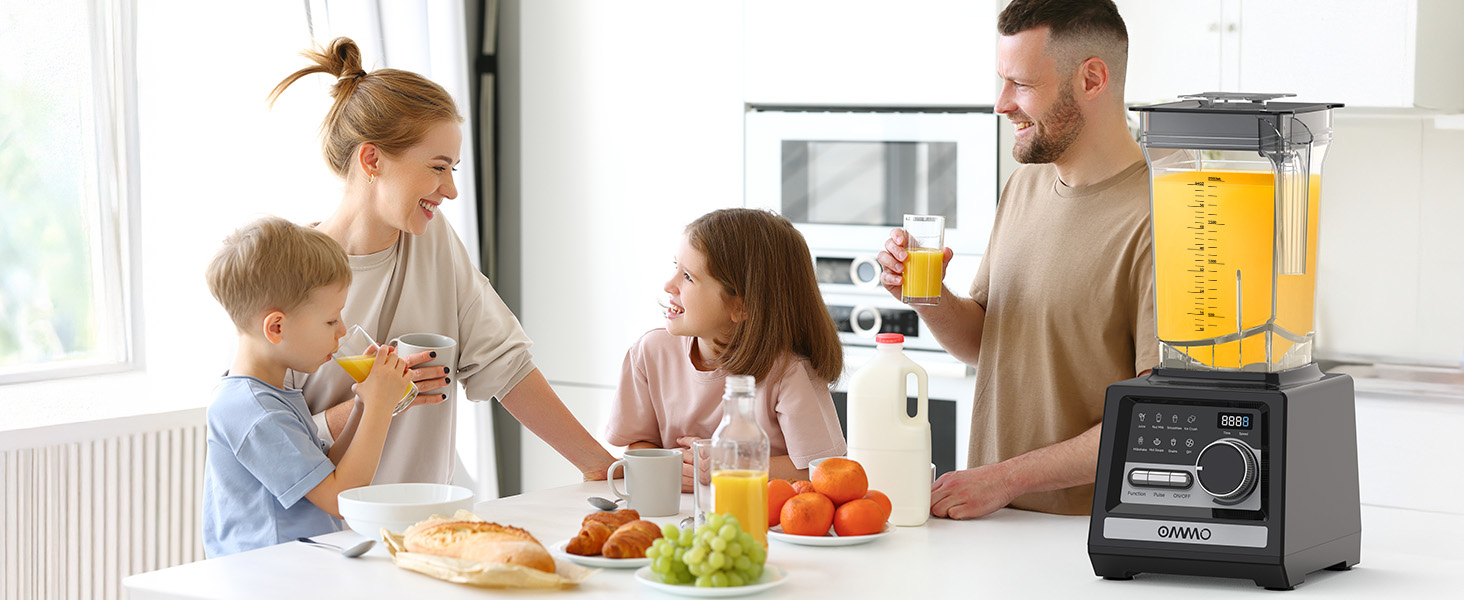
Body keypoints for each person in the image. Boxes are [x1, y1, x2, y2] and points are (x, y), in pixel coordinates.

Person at [268, 37, 616, 485]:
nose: (450, 189)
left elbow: (506, 366)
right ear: (372, 159)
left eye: (453, 169)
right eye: (437, 167)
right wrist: (379, 397)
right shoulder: (284, 269)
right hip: (323, 536)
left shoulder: (431, 241)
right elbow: (267, 441)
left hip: (423, 524)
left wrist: (602, 467)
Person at [876, 0, 1157, 519]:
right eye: (1001, 81)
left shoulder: (1160, 216)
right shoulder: (1024, 184)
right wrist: (930, 296)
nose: (1001, 104)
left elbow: (1154, 415)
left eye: (1021, 85)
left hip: (1085, 534)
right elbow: (988, 345)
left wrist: (1004, 478)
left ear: (1092, 79)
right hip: (989, 517)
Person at [201, 216, 414, 557]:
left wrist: (362, 404)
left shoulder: (270, 395)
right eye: (331, 320)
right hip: (267, 581)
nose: (342, 331)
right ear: (276, 327)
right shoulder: (254, 411)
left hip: (297, 569)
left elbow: (327, 474)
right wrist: (380, 407)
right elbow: (340, 498)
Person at [605, 208, 847, 489]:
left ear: (741, 307)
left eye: (688, 277)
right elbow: (639, 446)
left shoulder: (788, 372)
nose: (669, 285)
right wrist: (668, 465)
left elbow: (822, 469)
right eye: (675, 267)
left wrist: (727, 465)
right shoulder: (651, 352)